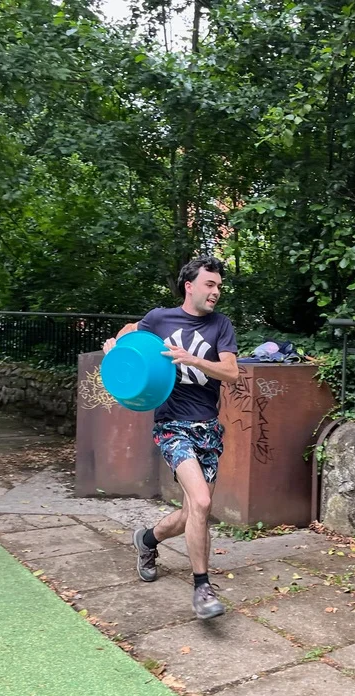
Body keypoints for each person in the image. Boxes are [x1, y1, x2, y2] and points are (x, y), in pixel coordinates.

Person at [102, 257, 239, 620]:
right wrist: (117, 346)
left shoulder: (221, 325)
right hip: (172, 425)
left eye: (219, 286)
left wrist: (192, 359)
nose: (216, 291)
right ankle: (202, 589)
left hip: (208, 428)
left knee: (193, 512)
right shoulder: (160, 318)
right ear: (189, 286)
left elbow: (231, 372)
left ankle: (147, 540)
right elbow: (131, 331)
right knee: (202, 500)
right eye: (209, 284)